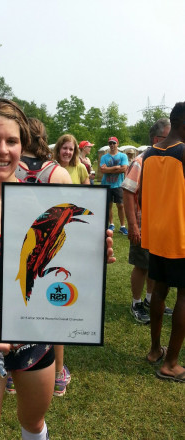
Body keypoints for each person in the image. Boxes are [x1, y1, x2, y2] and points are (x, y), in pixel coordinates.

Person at [0, 99, 115, 439]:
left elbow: (64, 266)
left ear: (23, 145)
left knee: (33, 425)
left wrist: (91, 257)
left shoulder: (46, 205)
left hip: (35, 340)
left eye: (11, 141)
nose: (2, 150)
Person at [15, 118, 72, 397]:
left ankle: (15, 373)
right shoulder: (59, 173)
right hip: (51, 250)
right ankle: (58, 373)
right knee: (54, 310)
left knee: (18, 305)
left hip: (16, 247)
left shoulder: (10, 168)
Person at [140, 102, 185, 383]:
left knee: (159, 291)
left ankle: (156, 349)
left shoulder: (148, 154)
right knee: (183, 295)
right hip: (181, 236)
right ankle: (171, 363)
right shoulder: (183, 153)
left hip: (156, 236)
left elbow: (145, 195)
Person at [122, 118, 172, 324]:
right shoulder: (141, 161)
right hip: (142, 226)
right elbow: (127, 191)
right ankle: (136, 303)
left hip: (159, 227)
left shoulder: (166, 161)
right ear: (156, 139)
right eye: (170, 137)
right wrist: (133, 225)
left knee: (155, 265)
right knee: (142, 266)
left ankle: (150, 300)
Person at [100, 136, 129, 235]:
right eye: (110, 143)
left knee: (120, 205)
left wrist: (109, 169)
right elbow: (102, 170)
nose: (112, 145)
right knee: (109, 206)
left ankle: (122, 226)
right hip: (106, 185)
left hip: (118, 184)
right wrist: (116, 167)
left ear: (117, 143)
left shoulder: (123, 156)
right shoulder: (104, 157)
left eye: (114, 143)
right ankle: (111, 224)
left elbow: (124, 169)